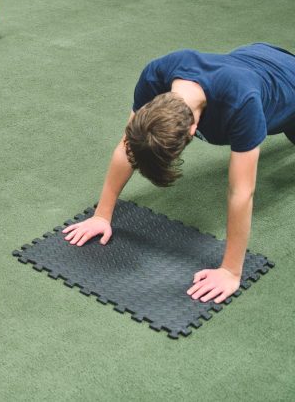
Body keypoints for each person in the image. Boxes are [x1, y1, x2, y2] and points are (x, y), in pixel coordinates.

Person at [62, 43, 295, 304]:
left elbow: (241, 191)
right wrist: (102, 215)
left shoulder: (241, 103)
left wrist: (230, 271)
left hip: (288, 88)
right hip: (255, 58)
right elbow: (127, 145)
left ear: (193, 129)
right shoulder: (156, 74)